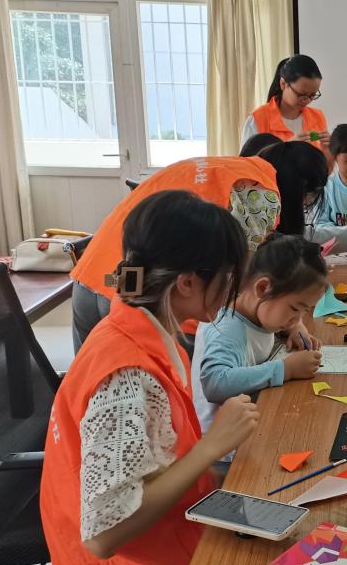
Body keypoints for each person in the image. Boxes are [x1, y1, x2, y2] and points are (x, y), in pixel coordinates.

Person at [40, 191, 260, 565]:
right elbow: (105, 535)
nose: (233, 290)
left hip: (161, 549)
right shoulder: (126, 375)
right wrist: (212, 447)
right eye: (228, 278)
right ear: (187, 283)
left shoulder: (134, 330)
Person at [70, 141, 329, 351]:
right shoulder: (261, 192)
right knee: (166, 379)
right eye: (309, 199)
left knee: (97, 384)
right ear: (302, 189)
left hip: (99, 277)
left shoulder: (233, 167)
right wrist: (289, 316)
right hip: (144, 294)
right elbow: (243, 279)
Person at [192, 233, 326, 443]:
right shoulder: (227, 328)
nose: (297, 317)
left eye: (305, 310)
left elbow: (267, 321)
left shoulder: (258, 311)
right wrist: (286, 369)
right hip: (223, 448)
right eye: (294, 308)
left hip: (250, 423)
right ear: (263, 288)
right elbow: (215, 383)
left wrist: (295, 325)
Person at [242, 55, 330, 154]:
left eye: (312, 95)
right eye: (301, 94)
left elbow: (324, 163)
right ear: (283, 84)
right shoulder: (258, 119)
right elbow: (247, 162)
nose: (307, 100)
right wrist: (285, 148)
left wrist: (329, 152)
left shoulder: (317, 117)